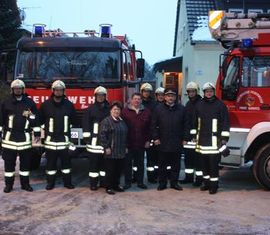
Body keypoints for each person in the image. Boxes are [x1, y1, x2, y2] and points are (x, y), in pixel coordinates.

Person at [0, 79, 40, 193]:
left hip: (25, 138)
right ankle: (9, 185)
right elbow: (1, 119)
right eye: (15, 88)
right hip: (10, 139)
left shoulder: (29, 103)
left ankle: (25, 184)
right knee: (9, 165)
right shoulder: (6, 102)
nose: (18, 90)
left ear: (23, 89)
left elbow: (35, 119)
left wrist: (37, 133)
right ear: (12, 90)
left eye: (20, 88)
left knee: (25, 164)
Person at [192, 82, 230, 194]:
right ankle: (206, 183)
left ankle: (214, 186)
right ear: (204, 93)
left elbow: (225, 123)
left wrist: (224, 139)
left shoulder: (220, 105)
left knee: (213, 166)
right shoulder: (199, 104)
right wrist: (194, 135)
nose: (209, 93)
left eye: (211, 91)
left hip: (215, 142)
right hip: (202, 142)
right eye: (207, 91)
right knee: (204, 166)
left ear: (214, 92)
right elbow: (194, 122)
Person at [39, 80, 76, 190]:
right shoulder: (45, 105)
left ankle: (67, 183)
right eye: (56, 90)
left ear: (63, 91)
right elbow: (40, 120)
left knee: (66, 165)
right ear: (53, 91)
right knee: (50, 165)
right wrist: (45, 133)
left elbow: (73, 121)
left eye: (60, 90)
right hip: (50, 141)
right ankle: (50, 183)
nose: (58, 92)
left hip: (64, 141)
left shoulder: (69, 105)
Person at [151, 88, 189, 191]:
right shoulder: (158, 109)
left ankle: (174, 183)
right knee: (162, 165)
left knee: (176, 165)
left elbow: (186, 124)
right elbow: (153, 125)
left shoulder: (182, 109)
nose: (170, 98)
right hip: (162, 141)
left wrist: (185, 138)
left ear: (175, 97)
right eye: (168, 96)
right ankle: (162, 183)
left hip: (177, 141)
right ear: (165, 97)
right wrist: (155, 138)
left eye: (172, 96)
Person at [82, 86, 110, 190]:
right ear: (95, 96)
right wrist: (87, 138)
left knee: (104, 166)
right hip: (93, 143)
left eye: (102, 95)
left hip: (105, 143)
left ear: (105, 96)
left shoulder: (110, 108)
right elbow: (85, 124)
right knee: (93, 166)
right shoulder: (90, 109)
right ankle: (93, 184)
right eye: (98, 95)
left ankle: (103, 183)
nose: (100, 97)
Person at [122, 92, 151, 190]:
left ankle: (140, 182)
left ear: (141, 101)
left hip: (141, 143)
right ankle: (127, 182)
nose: (137, 100)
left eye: (139, 99)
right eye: (135, 98)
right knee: (127, 164)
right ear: (131, 100)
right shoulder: (125, 112)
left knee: (140, 164)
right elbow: (122, 128)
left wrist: (148, 140)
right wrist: (124, 143)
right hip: (129, 143)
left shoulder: (146, 112)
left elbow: (149, 128)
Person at [99, 101, 128, 195]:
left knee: (118, 170)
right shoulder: (106, 121)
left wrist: (126, 146)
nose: (117, 111)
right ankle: (109, 187)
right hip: (110, 151)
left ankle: (116, 185)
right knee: (110, 170)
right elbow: (102, 135)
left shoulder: (122, 121)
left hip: (120, 151)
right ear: (111, 111)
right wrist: (106, 147)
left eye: (118, 109)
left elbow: (125, 135)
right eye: (115, 109)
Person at [182, 82, 203, 186]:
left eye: (193, 91)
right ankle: (188, 177)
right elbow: (186, 122)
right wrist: (185, 136)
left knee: (198, 159)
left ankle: (199, 180)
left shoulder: (201, 103)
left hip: (198, 137)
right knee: (188, 158)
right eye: (189, 91)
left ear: (197, 91)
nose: (191, 93)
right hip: (189, 137)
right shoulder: (188, 104)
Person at [140, 83, 158, 183]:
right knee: (138, 160)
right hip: (139, 136)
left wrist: (153, 136)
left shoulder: (154, 104)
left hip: (150, 135)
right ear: (142, 92)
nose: (146, 93)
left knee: (151, 159)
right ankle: (137, 178)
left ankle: (152, 177)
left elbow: (154, 121)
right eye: (144, 91)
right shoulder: (138, 102)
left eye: (148, 91)